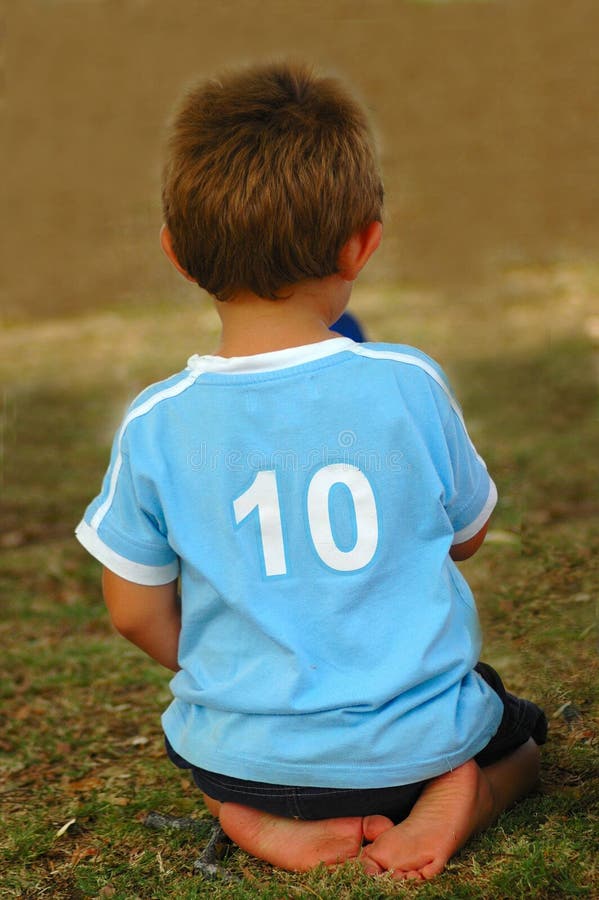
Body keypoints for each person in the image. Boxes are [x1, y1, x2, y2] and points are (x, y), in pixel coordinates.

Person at [75, 61, 547, 881]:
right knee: (525, 737)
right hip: (416, 741)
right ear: (361, 243)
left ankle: (253, 817)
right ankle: (461, 793)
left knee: (211, 754)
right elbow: (467, 538)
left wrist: (227, 672)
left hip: (244, 754)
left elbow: (130, 611)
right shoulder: (406, 382)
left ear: (177, 255)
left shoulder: (155, 422)